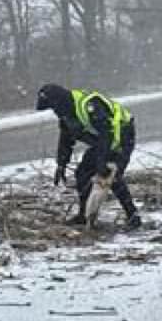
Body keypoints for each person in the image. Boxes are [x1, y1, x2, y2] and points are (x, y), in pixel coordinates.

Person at [37, 82, 141, 229]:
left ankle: (133, 217)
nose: (55, 111)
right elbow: (66, 140)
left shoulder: (89, 106)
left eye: (54, 107)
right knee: (82, 173)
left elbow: (108, 133)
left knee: (111, 175)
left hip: (122, 135)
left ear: (60, 102)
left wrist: (102, 162)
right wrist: (61, 164)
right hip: (103, 141)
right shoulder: (66, 116)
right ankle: (83, 216)